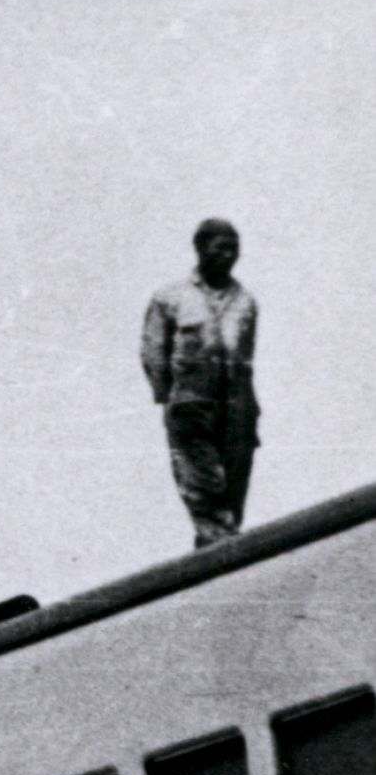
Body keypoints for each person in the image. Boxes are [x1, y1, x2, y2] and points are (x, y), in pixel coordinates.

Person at [140, 218, 260, 546]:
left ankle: (218, 545)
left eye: (234, 248)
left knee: (234, 484)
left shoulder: (245, 301)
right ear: (201, 248)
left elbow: (246, 353)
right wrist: (171, 399)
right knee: (202, 484)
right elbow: (154, 352)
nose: (228, 255)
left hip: (238, 403)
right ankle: (219, 546)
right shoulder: (170, 297)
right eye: (221, 248)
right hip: (191, 402)